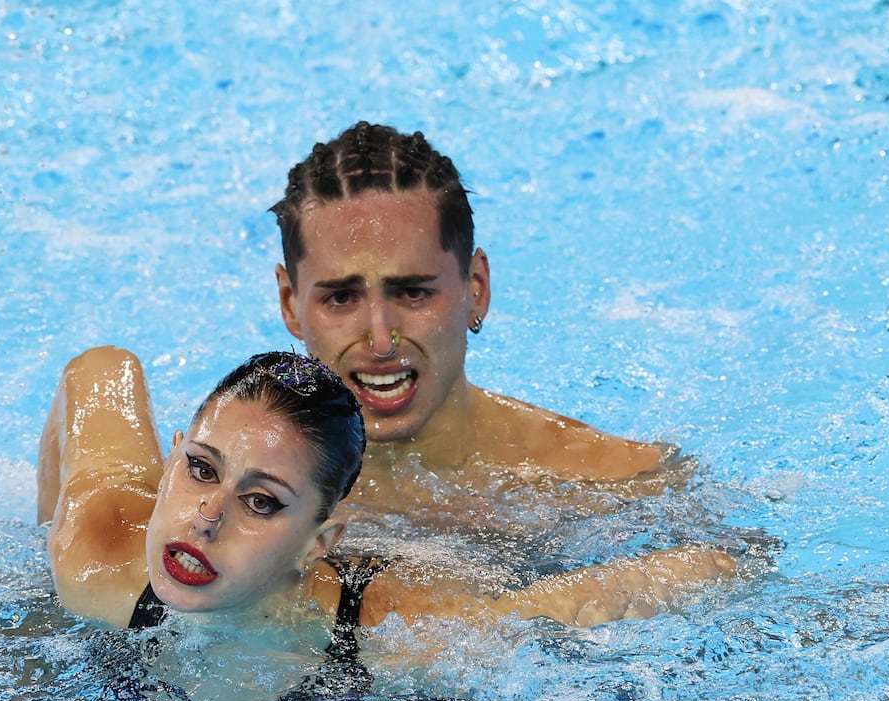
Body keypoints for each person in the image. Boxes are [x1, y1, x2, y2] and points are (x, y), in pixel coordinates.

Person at [37, 346, 735, 638]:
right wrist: (40, 537)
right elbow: (99, 370)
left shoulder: (393, 633)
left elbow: (556, 609)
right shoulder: (94, 556)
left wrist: (735, 556)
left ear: (318, 543)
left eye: (261, 502)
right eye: (200, 468)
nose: (206, 519)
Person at [271, 121, 671, 514]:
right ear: (291, 303)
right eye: (341, 298)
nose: (381, 341)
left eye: (414, 292)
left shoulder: (614, 483)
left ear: (475, 288)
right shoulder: (239, 489)